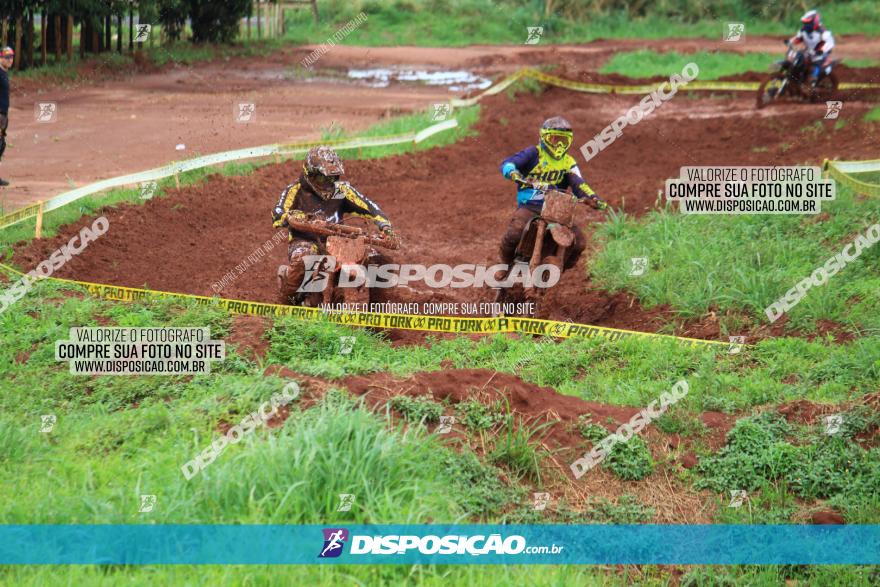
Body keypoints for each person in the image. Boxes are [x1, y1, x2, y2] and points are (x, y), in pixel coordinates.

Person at [272, 146, 394, 302]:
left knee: (376, 259)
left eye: (332, 177)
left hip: (339, 242)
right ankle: (284, 304)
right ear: (310, 174)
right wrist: (295, 217)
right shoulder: (295, 190)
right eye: (323, 178)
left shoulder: (341, 190)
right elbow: (277, 213)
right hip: (306, 241)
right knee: (305, 257)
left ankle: (378, 314)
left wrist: (385, 227)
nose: (328, 183)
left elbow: (370, 207)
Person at [498, 116, 608, 271]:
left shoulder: (568, 162)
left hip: (558, 210)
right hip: (530, 206)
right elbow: (508, 163)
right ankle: (504, 264)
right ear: (544, 137)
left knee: (579, 243)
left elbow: (579, 183)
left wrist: (593, 198)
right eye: (555, 139)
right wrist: (514, 173)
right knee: (515, 232)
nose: (559, 144)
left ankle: (559, 269)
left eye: (564, 140)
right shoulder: (533, 153)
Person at [789, 10, 835, 86]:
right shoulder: (803, 30)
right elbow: (797, 38)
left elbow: (830, 43)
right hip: (809, 51)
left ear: (815, 22)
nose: (806, 25)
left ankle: (813, 81)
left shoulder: (823, 32)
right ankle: (798, 78)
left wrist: (821, 50)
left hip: (821, 53)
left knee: (817, 61)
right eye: (805, 23)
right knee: (799, 59)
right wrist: (790, 42)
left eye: (808, 23)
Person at [0, 46, 13, 187]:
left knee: (1, 145)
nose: (10, 60)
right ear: (1, 58)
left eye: (11, 57)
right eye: (7, 57)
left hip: (3, 115)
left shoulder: (5, 72)